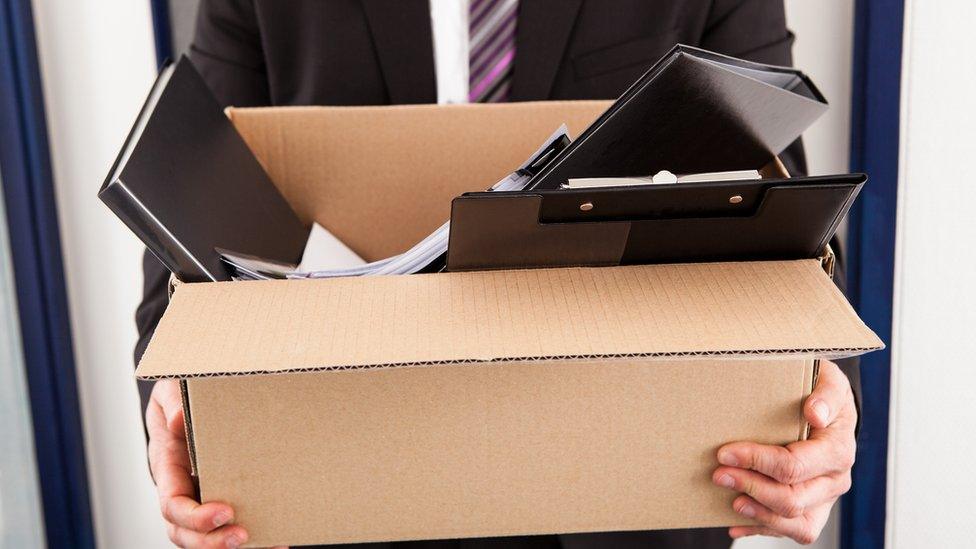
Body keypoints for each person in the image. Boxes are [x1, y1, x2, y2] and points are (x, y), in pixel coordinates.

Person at [136, 1, 860, 547]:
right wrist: (176, 400)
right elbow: (192, 188)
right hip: (346, 477)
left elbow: (776, 198)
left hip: (631, 486)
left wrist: (820, 393)